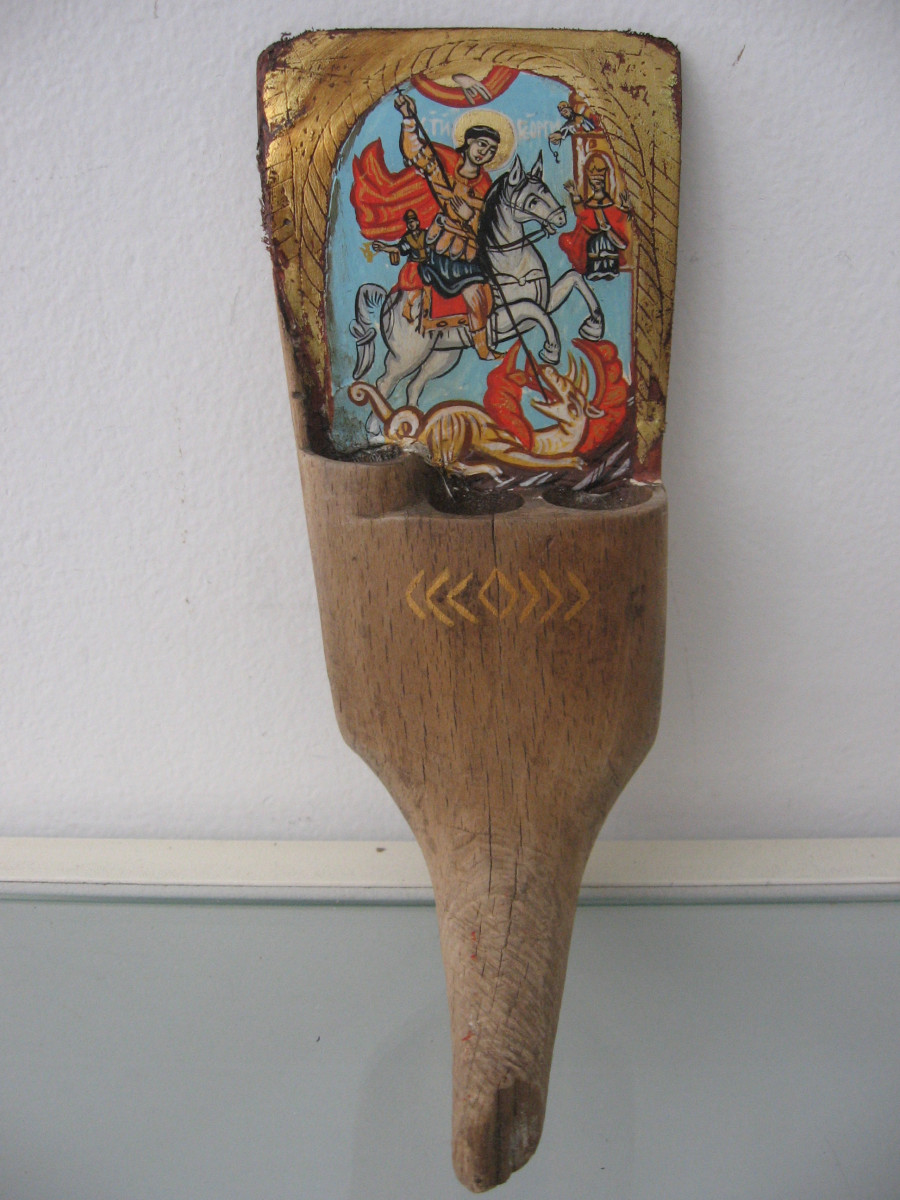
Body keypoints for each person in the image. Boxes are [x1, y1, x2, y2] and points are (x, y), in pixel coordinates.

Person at [394, 93, 499, 359]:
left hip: (471, 252)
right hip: (445, 251)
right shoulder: (445, 166)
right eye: (482, 145)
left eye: (491, 150)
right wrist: (408, 118)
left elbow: (488, 228)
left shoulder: (486, 186)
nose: (485, 152)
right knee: (475, 295)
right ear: (469, 143)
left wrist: (471, 216)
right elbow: (417, 153)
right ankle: (483, 350)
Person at [559, 152, 629, 281]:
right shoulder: (590, 205)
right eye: (594, 182)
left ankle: (609, 269)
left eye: (599, 182)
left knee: (607, 250)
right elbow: (583, 215)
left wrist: (624, 208)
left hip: (609, 242)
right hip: (594, 244)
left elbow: (618, 218)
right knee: (594, 248)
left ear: (604, 183)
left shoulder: (610, 205)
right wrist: (575, 195)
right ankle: (595, 270)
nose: (597, 185)